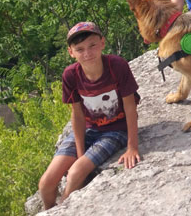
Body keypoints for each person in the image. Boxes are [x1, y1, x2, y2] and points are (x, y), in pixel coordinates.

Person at [38, 22, 140, 210]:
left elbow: (130, 106)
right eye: (80, 49)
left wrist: (132, 147)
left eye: (92, 45)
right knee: (45, 183)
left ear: (102, 43)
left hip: (115, 131)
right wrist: (80, 154)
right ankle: (48, 210)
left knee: (75, 173)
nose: (87, 53)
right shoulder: (71, 75)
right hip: (89, 130)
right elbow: (77, 115)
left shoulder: (117, 66)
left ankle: (63, 210)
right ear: (71, 52)